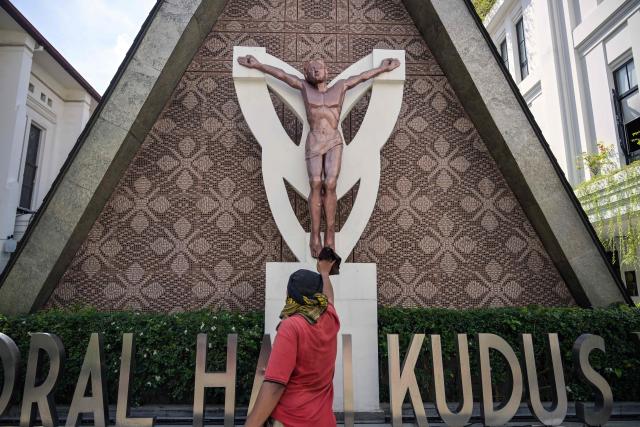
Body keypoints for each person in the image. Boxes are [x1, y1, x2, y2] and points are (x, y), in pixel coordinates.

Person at [237, 54, 400, 258]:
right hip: (314, 141)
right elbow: (283, 76)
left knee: (330, 183)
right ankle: (315, 235)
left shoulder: (340, 87)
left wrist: (382, 69)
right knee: (315, 182)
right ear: (306, 74)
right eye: (311, 69)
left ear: (327, 71)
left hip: (333, 141)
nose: (316, 71)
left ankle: (329, 233)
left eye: (319, 67)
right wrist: (259, 65)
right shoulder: (305, 89)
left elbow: (361, 77)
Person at [244, 258, 339, 427]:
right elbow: (329, 298)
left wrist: (251, 423)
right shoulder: (330, 318)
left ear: (290, 296)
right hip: (323, 421)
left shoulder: (291, 326)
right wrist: (324, 274)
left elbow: (275, 385)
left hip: (291, 420)